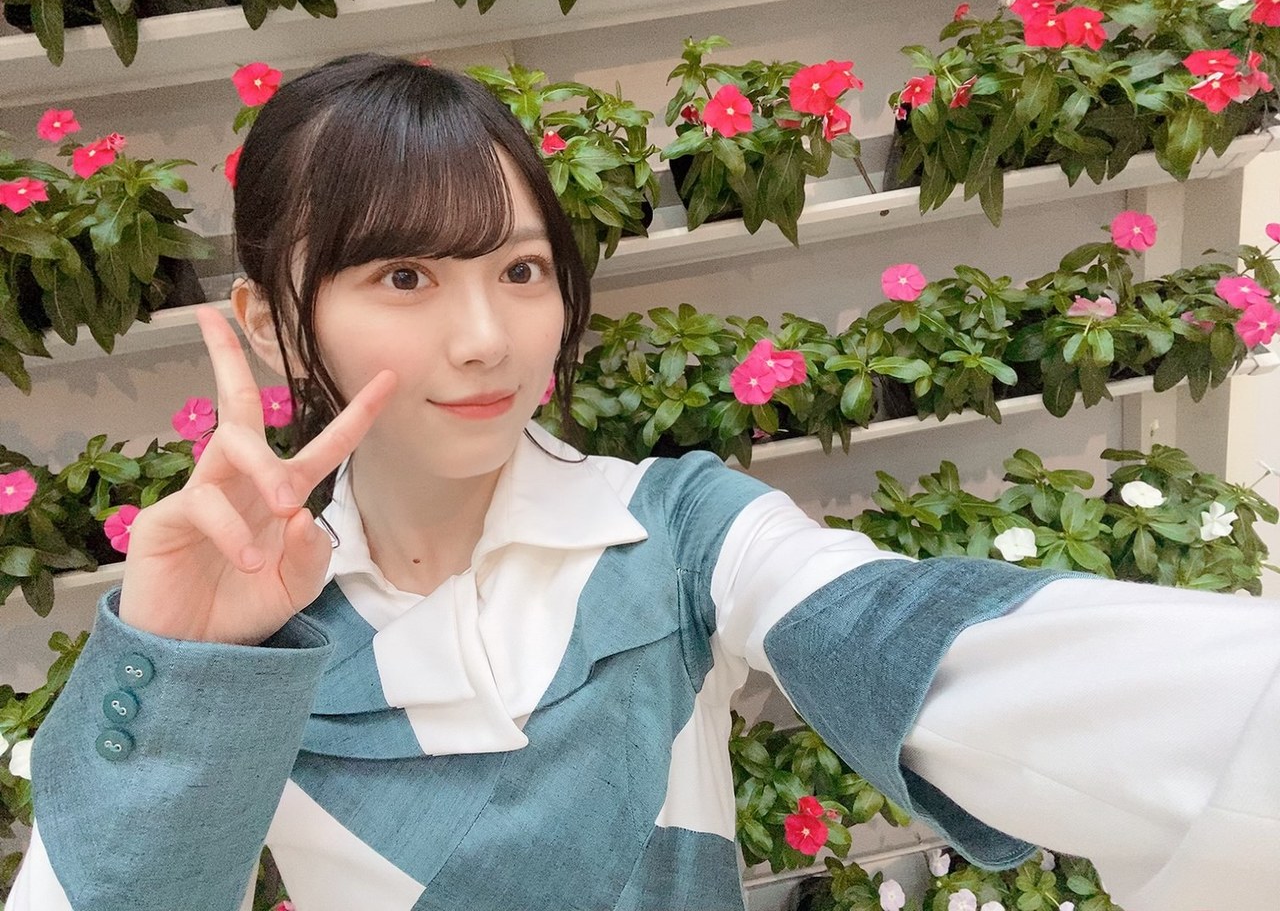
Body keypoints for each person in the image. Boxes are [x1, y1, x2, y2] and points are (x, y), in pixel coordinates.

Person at [7, 53, 1279, 911]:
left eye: (519, 271)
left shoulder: (675, 535)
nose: (485, 339)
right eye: (403, 277)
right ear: (270, 320)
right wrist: (186, 673)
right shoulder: (250, 624)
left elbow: (920, 647)